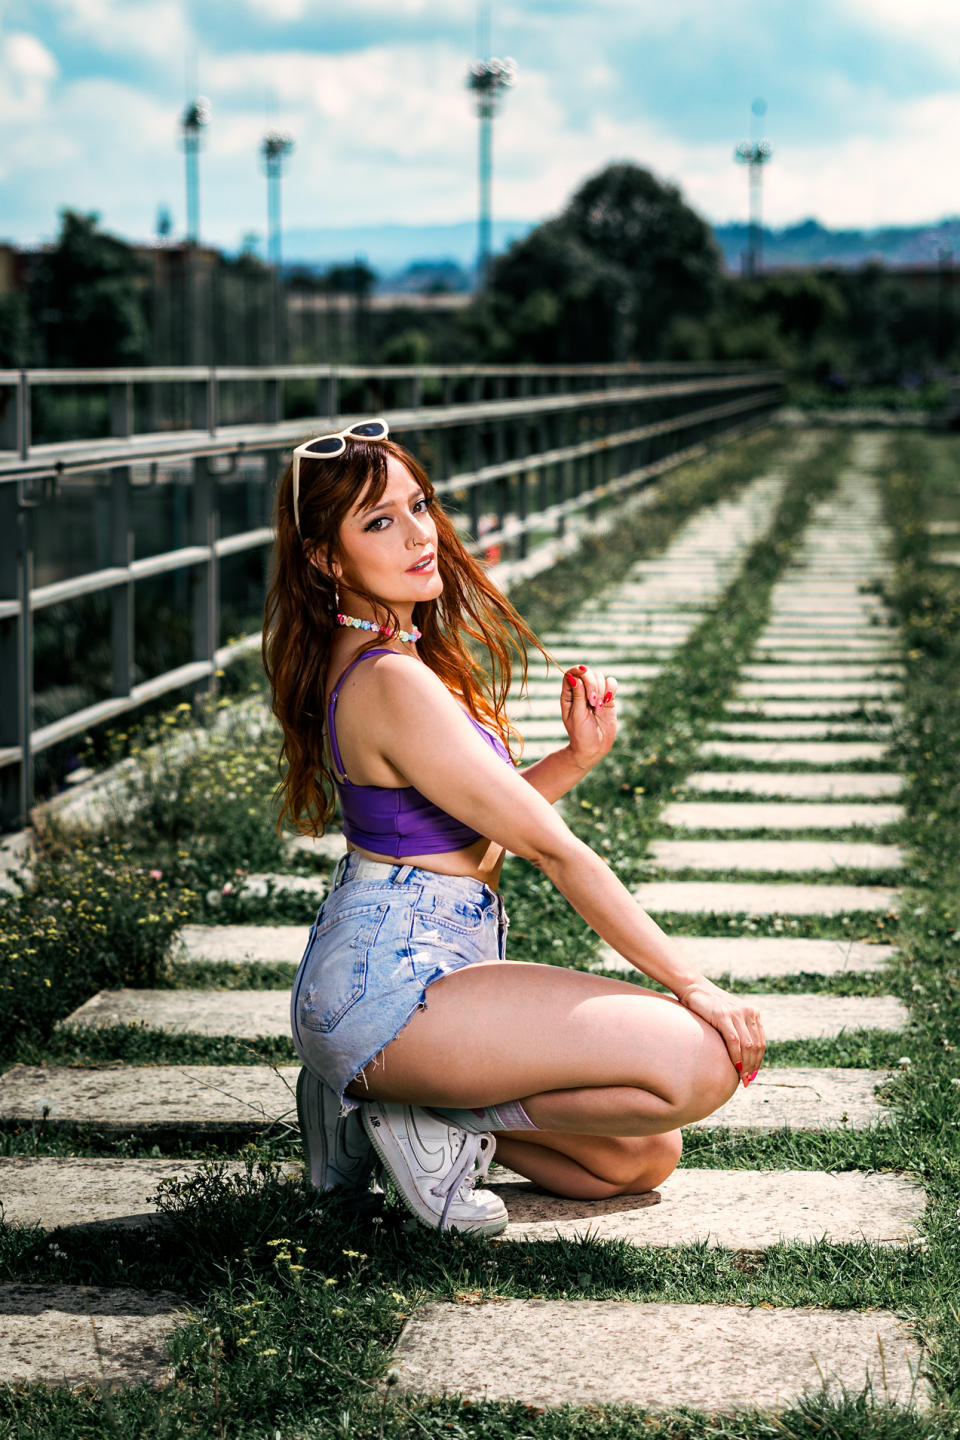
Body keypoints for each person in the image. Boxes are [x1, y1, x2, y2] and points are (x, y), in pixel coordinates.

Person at [263, 419, 766, 1236]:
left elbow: (466, 831)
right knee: (700, 1064)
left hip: (393, 979)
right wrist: (695, 985)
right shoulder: (391, 679)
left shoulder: (384, 657)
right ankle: (419, 1112)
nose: (420, 534)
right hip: (394, 993)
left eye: (419, 505)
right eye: (379, 522)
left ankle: (391, 1104)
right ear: (328, 560)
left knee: (641, 1156)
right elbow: (554, 851)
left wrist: (573, 759)